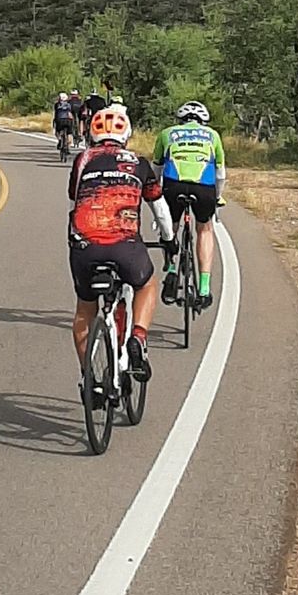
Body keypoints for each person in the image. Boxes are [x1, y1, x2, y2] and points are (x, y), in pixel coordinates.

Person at [68, 105, 176, 390]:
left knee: (84, 310)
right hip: (123, 244)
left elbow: (74, 198)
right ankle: (138, 337)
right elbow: (160, 209)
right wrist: (169, 239)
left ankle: (89, 379)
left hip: (85, 244)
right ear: (127, 135)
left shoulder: (83, 159)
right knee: (147, 284)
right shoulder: (139, 163)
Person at [152, 101, 227, 310]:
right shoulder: (213, 135)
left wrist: (155, 193)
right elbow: (220, 173)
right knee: (205, 229)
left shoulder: (167, 133)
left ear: (180, 120)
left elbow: (156, 168)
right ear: (203, 121)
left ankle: (171, 269)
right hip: (204, 188)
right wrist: (218, 196)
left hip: (173, 186)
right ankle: (204, 288)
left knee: (170, 227)